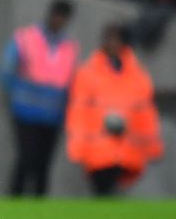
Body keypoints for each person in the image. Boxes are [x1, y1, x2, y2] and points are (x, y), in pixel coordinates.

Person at [65, 24, 163, 196]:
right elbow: (79, 113)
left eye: (115, 39)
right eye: (108, 39)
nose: (111, 43)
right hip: (98, 146)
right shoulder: (89, 72)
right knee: (102, 189)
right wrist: (77, 146)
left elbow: (146, 114)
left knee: (115, 192)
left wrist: (152, 146)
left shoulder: (137, 75)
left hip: (126, 145)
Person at [0, 0, 78, 196]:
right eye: (57, 15)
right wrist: (13, 95)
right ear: (50, 14)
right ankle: (15, 204)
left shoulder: (69, 46)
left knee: (44, 165)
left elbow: (71, 80)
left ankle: (38, 208)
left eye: (63, 17)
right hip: (25, 110)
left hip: (53, 114)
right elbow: (6, 69)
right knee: (26, 159)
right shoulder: (26, 37)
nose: (59, 21)